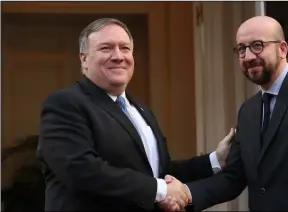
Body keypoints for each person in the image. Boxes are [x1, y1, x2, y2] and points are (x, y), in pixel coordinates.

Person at [36, 18, 234, 211]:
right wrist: (160, 190)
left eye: (125, 48)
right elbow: (79, 169)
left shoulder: (138, 109)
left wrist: (215, 160)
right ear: (84, 59)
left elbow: (157, 172)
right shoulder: (65, 103)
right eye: (106, 48)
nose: (118, 56)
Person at [165, 15, 288, 211]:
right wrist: (186, 193)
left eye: (257, 45)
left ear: (282, 49)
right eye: (241, 49)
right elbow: (233, 178)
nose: (248, 56)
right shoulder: (249, 111)